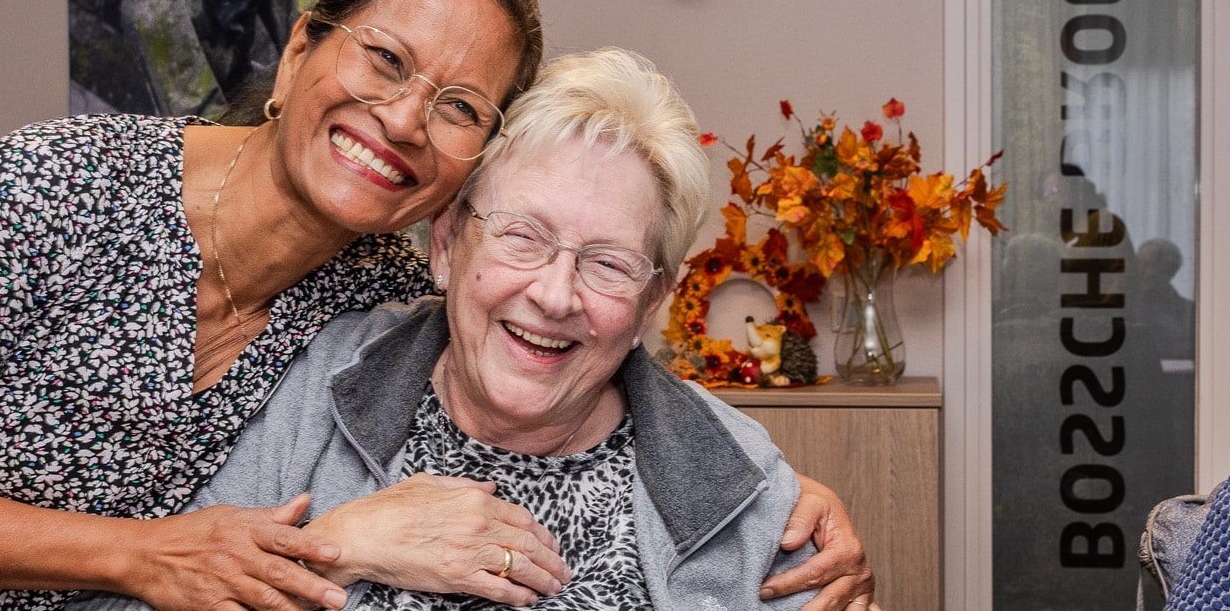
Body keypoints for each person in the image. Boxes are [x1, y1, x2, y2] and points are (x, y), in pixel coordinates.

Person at [0, 0, 869, 609]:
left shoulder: (370, 302)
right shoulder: (52, 187)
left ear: (457, 191)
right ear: (301, 45)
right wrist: (153, 554)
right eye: (385, 59)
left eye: (458, 106)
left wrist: (772, 498)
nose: (403, 118)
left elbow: (556, 330)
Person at [69, 49, 873, 610]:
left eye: (608, 264)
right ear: (449, 244)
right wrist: (334, 548)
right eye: (522, 236)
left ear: (653, 299)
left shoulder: (742, 487)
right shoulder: (312, 387)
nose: (554, 295)